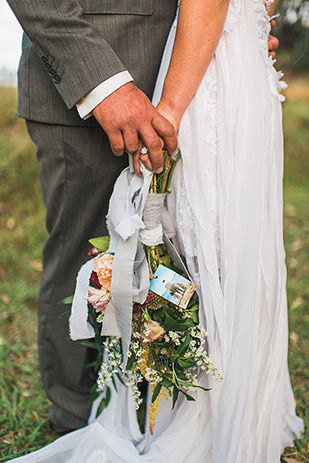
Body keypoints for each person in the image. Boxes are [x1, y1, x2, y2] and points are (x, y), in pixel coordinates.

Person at [8, 0, 303, 462]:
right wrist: (103, 83)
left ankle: (173, 406)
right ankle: (78, 413)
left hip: (208, 75)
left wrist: (241, 24)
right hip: (99, 70)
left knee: (205, 255)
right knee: (88, 258)